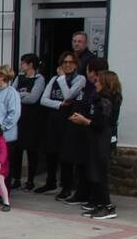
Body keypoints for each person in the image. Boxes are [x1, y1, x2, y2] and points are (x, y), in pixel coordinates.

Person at [70, 68, 122, 220]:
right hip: (96, 139)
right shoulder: (99, 99)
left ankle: (107, 206)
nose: (95, 83)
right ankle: (99, 204)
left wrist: (84, 120)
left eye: (98, 81)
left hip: (102, 140)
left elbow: (101, 124)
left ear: (106, 83)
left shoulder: (106, 101)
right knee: (93, 172)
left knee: (99, 173)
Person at [34, 52, 85, 195]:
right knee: (51, 151)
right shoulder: (54, 79)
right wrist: (58, 104)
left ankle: (66, 186)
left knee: (66, 154)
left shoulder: (80, 79)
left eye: (70, 62)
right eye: (65, 62)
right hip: (54, 118)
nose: (67, 65)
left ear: (76, 64)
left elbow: (69, 95)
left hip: (69, 120)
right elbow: (43, 100)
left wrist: (62, 79)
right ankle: (50, 182)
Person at [12, 54, 47, 190]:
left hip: (33, 119)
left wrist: (20, 96)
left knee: (32, 150)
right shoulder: (19, 78)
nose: (21, 65)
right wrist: (23, 95)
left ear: (31, 64)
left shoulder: (39, 79)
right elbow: (12, 95)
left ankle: (31, 179)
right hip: (19, 118)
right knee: (17, 150)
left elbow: (33, 98)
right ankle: (16, 178)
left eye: (23, 63)